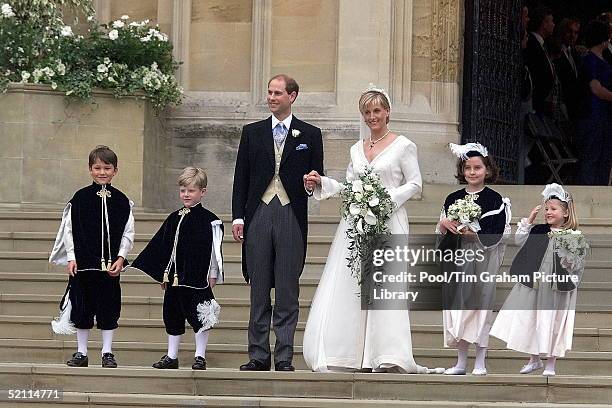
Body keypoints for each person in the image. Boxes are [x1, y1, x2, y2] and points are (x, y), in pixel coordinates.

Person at [301, 86, 434, 374]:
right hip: (357, 222)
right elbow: (351, 186)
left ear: (387, 112)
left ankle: (387, 355)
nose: (372, 116)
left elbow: (415, 183)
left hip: (389, 219)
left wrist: (386, 200)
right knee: (353, 285)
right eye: (367, 112)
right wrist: (323, 183)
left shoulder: (403, 145)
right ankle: (349, 354)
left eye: (377, 111)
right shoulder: (356, 148)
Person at [232, 74, 324, 372]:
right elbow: (241, 179)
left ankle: (284, 356)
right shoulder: (252, 132)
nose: (271, 97)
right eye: (269, 93)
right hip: (258, 212)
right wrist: (238, 216)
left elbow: (317, 179)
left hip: (290, 215)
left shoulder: (310, 134)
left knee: (287, 289)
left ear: (292, 96)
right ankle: (258, 354)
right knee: (259, 288)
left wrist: (313, 183)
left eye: (277, 93)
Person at [49, 145, 135, 368]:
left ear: (115, 170)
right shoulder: (80, 198)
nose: (102, 172)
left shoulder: (122, 201)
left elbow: (128, 232)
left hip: (110, 268)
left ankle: (107, 352)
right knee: (82, 307)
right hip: (84, 264)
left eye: (107, 168)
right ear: (90, 169)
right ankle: (81, 352)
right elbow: (68, 230)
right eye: (97, 168)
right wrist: (71, 257)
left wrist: (121, 257)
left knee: (109, 308)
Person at [131, 167, 223, 370]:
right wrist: (163, 273)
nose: (186, 195)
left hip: (198, 278)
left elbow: (215, 251)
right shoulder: (174, 218)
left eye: (191, 190)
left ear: (202, 192)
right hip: (174, 278)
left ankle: (200, 356)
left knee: (202, 315)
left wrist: (214, 273)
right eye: (183, 190)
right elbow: (163, 247)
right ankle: (172, 356)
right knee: (172, 315)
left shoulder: (211, 221)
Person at [490, 184, 585, 376]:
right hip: (535, 284)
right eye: (547, 209)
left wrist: (569, 260)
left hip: (556, 288)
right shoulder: (539, 230)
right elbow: (519, 240)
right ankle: (534, 360)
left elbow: (577, 262)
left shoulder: (573, 236)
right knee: (531, 318)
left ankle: (550, 363)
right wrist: (529, 221)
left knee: (553, 322)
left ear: (566, 213)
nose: (548, 212)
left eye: (553, 209)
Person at [436, 143, 511, 376]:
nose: (472, 172)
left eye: (477, 167)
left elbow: (499, 231)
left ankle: (480, 360)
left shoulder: (494, 199)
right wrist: (444, 224)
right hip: (458, 261)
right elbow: (441, 227)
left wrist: (476, 235)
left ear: (487, 170)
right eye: (467, 167)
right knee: (459, 310)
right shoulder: (453, 198)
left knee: (480, 308)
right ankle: (460, 361)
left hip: (481, 261)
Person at [576, 20, 612, 185]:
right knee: (591, 158)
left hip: (605, 117)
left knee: (604, 159)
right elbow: (595, 88)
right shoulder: (589, 59)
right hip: (592, 116)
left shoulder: (604, 60)